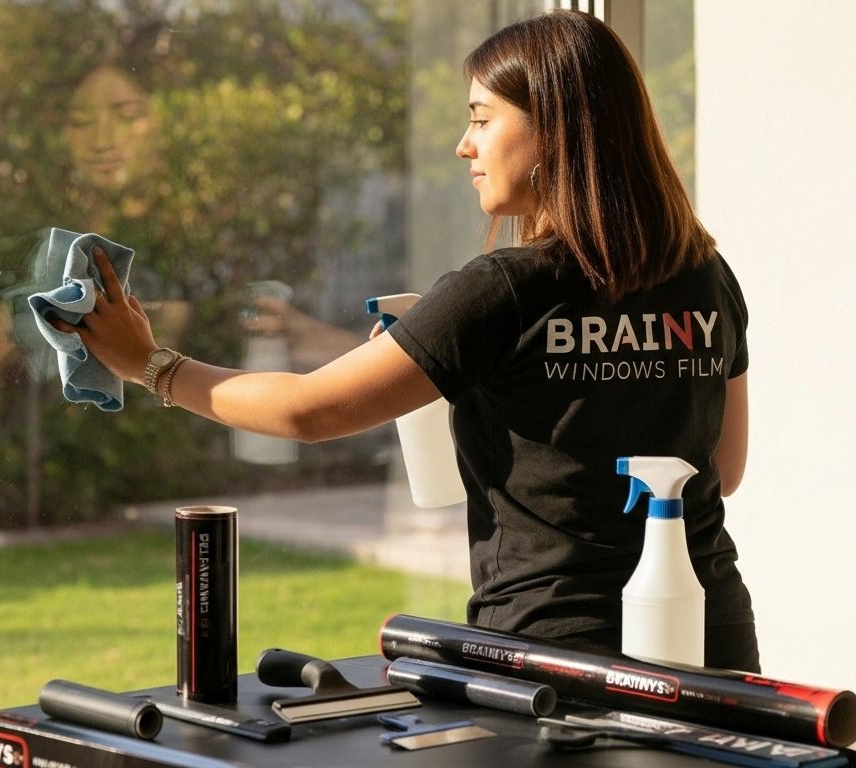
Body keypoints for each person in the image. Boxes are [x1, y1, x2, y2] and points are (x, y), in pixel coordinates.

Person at [56, 10, 758, 672]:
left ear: (553, 128)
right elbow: (720, 469)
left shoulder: (503, 289)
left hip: (557, 656)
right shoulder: (706, 275)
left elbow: (308, 410)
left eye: (481, 119)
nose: (464, 145)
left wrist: (150, 364)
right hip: (713, 640)